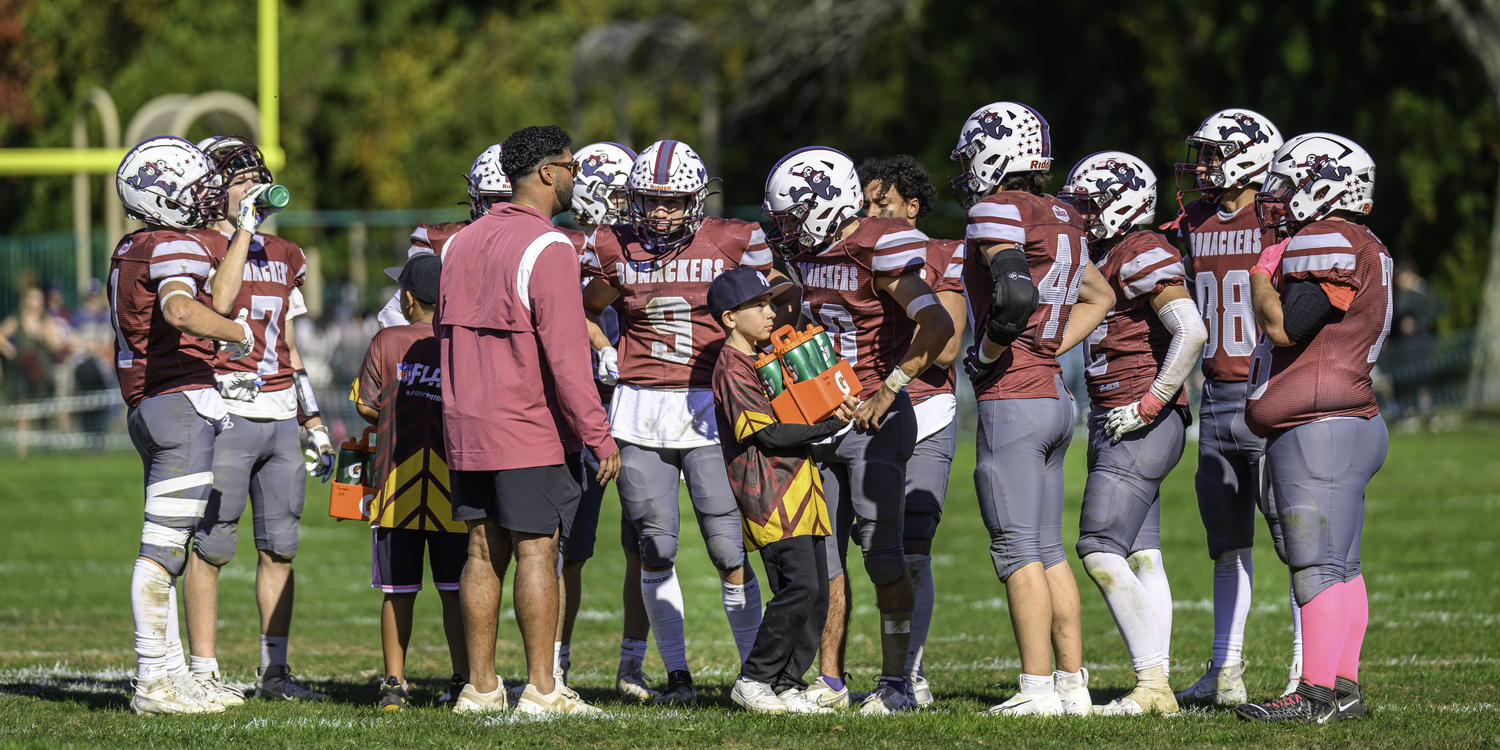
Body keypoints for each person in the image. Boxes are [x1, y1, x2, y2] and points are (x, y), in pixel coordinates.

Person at [581, 139, 786, 704]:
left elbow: (773, 309)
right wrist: (604, 350)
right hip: (641, 410)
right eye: (652, 200)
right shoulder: (612, 245)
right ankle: (677, 675)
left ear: (697, 200)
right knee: (656, 547)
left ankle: (754, 676)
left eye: (674, 201)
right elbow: (586, 306)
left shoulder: (733, 240)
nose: (662, 211)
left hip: (710, 407)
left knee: (728, 549)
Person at [764, 146, 953, 714]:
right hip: (823, 418)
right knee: (823, 556)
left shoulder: (880, 242)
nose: (790, 230)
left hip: (877, 421)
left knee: (882, 556)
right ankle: (830, 680)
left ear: (824, 205)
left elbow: (936, 322)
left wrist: (889, 387)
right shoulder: (812, 251)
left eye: (795, 215)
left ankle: (896, 685)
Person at [438, 124, 620, 715]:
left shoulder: (458, 243)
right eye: (570, 165)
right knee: (539, 550)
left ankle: (480, 687)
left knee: (481, 553)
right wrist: (598, 435)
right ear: (545, 172)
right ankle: (543, 689)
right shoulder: (551, 246)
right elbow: (568, 357)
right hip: (527, 424)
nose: (576, 176)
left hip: (466, 422)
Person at [950, 102, 1115, 717]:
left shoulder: (998, 209)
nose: (967, 169)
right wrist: (1047, 345)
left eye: (972, 155)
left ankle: (1036, 688)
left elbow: (1015, 291)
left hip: (1014, 398)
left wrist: (992, 352)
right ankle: (1073, 685)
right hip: (1051, 393)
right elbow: (1099, 294)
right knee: (1047, 548)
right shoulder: (1064, 214)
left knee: (1018, 549)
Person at [1236, 133, 1387, 724]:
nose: (1276, 195)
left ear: (1322, 185)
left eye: (1288, 181)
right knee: (1342, 565)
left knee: (1317, 564)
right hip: (1347, 420)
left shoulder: (1328, 237)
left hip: (1320, 425)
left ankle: (1316, 692)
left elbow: (1286, 328)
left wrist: (1259, 276)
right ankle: (1341, 689)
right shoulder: (1362, 239)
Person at [108, 136, 256, 714]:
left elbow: (188, 299)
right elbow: (179, 308)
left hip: (152, 404)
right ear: (163, 196)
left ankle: (172, 674)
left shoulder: (136, 244)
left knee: (167, 549)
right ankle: (153, 680)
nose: (207, 195)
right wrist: (235, 333)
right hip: (177, 403)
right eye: (194, 187)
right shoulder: (172, 243)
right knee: (164, 553)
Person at [181, 135, 330, 705]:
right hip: (223, 410)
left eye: (256, 179)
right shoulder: (197, 246)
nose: (253, 189)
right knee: (212, 547)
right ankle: (203, 670)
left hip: (276, 413)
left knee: (281, 547)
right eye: (240, 180)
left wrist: (312, 418)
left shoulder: (288, 254)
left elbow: (286, 344)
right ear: (214, 190)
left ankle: (275, 671)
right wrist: (241, 229)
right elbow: (217, 304)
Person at [1059, 152, 1208, 716]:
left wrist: (1149, 404)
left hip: (1139, 416)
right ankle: (1158, 686)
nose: (1081, 213)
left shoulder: (1141, 249)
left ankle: (1152, 685)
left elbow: (1190, 331)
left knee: (1098, 547)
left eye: (1089, 203)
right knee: (1144, 555)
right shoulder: (1108, 252)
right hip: (1119, 413)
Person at [1168, 108, 1305, 705]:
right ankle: (1226, 670)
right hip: (1218, 398)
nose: (1202, 166)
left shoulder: (1279, 220)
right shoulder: (1192, 221)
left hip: (1274, 395)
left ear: (1249, 157)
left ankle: (1309, 673)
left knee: (1300, 547)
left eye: (1212, 154)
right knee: (1226, 542)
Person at [708, 267, 852, 715]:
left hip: (801, 488)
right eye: (759, 305)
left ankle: (787, 682)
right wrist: (831, 424)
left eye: (770, 303)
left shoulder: (759, 358)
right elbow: (767, 436)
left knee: (818, 592)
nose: (770, 313)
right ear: (730, 318)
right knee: (798, 587)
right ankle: (754, 679)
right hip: (771, 495)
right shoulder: (731, 366)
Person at [857, 155, 968, 708]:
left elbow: (946, 345)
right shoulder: (852, 249)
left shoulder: (941, 253)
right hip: (863, 414)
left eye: (884, 204)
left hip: (924, 408)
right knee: (869, 543)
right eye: (867, 203)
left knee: (914, 544)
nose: (870, 213)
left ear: (912, 207)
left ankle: (909, 675)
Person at [351, 254, 469, 711]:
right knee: (456, 592)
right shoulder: (460, 343)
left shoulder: (388, 339)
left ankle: (394, 685)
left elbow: (365, 403)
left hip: (395, 488)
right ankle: (465, 680)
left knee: (398, 591)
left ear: (406, 298)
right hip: (454, 488)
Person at [554, 141, 640, 690]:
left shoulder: (642, 243)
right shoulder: (559, 243)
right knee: (567, 549)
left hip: (636, 405)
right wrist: (600, 347)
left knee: (647, 543)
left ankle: (633, 663)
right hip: (576, 408)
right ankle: (554, 664)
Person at [376, 143, 509, 329]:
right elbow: (392, 313)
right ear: (477, 198)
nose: (510, 209)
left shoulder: (552, 243)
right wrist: (438, 349)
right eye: (501, 200)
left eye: (517, 200)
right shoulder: (447, 242)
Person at [0, 284, 65, 458]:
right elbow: (1, 335)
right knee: (23, 411)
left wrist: (46, 337)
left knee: (43, 410)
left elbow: (55, 345)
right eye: (34, 298)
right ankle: (22, 451)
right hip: (23, 371)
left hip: (42, 371)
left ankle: (46, 447)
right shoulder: (17, 320)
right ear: (27, 301)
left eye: (39, 299)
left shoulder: (46, 321)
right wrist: (10, 351)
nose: (37, 302)